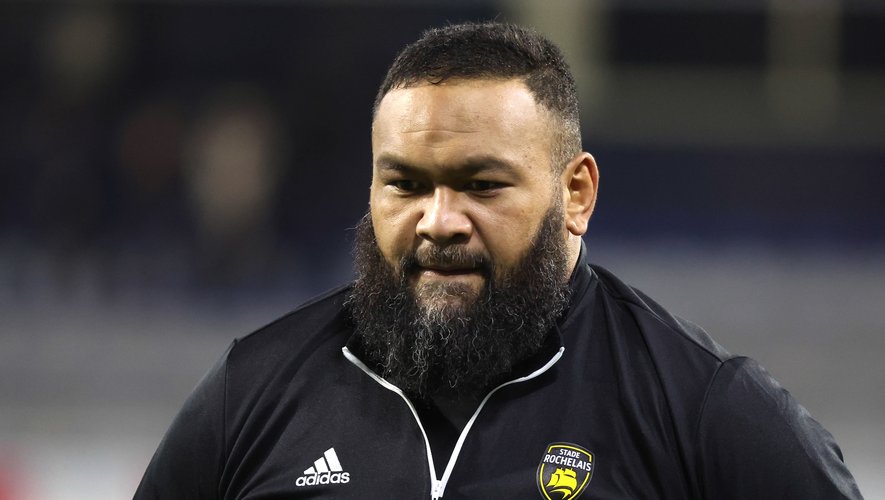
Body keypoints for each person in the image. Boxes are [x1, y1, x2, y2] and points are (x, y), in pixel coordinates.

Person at [135, 22, 862, 499]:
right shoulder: (251, 393)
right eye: (404, 185)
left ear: (575, 194)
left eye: (481, 186)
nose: (438, 221)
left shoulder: (703, 411)